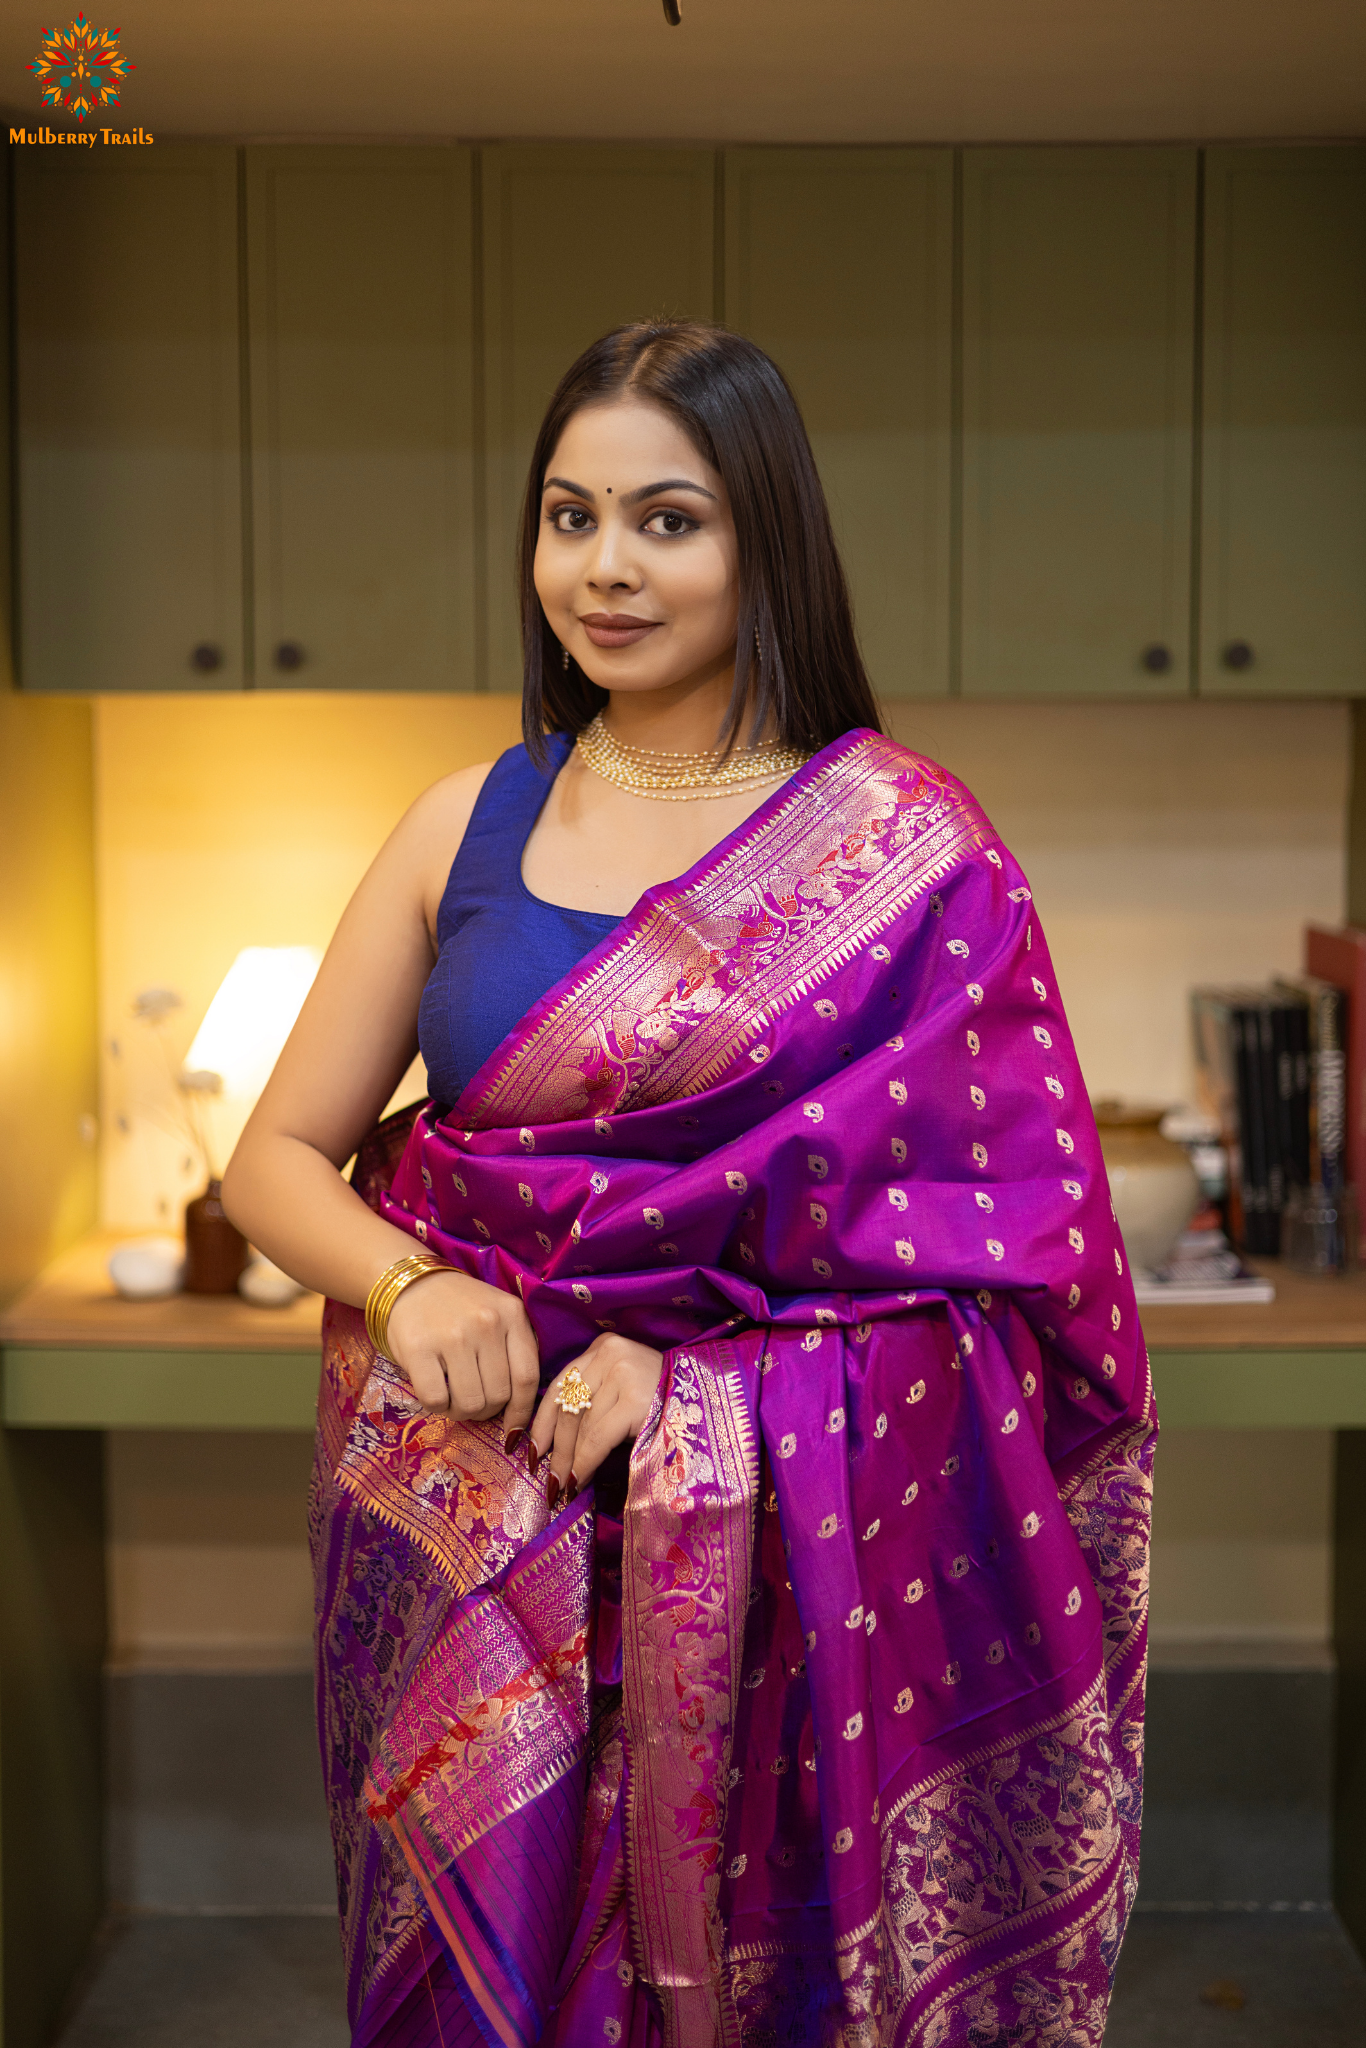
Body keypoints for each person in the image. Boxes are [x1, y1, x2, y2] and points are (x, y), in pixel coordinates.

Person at [223, 320, 1155, 2048]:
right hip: (473, 1530)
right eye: (569, 517)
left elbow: (1012, 1290)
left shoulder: (904, 850)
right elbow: (272, 1163)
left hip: (779, 1574)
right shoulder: (464, 820)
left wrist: (698, 1385)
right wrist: (410, 1286)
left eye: (668, 519)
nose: (606, 568)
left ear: (764, 540)